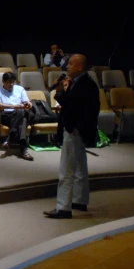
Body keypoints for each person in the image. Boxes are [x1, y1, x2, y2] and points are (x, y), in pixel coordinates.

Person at [44, 54, 100, 219]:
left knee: (66, 169)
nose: (67, 67)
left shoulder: (84, 85)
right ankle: (79, 200)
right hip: (79, 130)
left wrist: (60, 91)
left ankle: (63, 208)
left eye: (70, 64)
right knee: (80, 166)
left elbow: (74, 106)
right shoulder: (83, 83)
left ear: (79, 67)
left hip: (75, 130)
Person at [0, 71, 34, 161]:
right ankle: (23, 151)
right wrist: (13, 106)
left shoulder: (20, 89)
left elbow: (27, 102)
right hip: (6, 115)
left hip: (19, 113)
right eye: (8, 82)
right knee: (22, 119)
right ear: (3, 81)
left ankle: (9, 139)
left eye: (12, 82)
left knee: (22, 115)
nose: (10, 84)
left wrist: (28, 103)